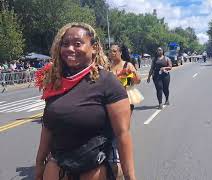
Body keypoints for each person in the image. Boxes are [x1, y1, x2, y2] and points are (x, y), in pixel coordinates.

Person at [35, 22, 136, 180]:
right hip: (57, 167)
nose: (70, 49)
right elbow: (48, 126)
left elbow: (122, 134)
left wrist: (130, 177)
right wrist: (40, 164)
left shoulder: (108, 82)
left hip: (94, 167)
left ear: (94, 47)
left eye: (77, 43)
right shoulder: (55, 83)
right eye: (65, 44)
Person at [109, 43, 142, 112]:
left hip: (125, 98)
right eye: (110, 51)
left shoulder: (128, 65)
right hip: (111, 98)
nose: (112, 53)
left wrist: (130, 76)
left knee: (124, 122)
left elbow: (138, 81)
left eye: (114, 51)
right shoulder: (107, 66)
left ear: (120, 52)